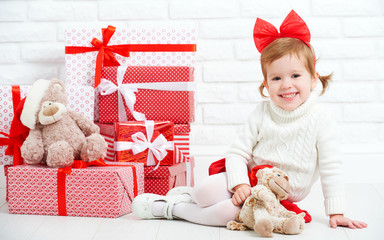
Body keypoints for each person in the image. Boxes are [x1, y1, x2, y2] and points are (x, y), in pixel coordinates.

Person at [131, 10, 368, 229]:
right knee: (204, 191)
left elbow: (331, 166)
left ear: (314, 78)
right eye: (276, 78)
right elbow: (237, 154)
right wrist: (240, 184)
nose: (286, 84)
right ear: (266, 84)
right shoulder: (262, 112)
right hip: (249, 179)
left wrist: (335, 211)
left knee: (225, 213)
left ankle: (171, 209)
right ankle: (190, 196)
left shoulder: (320, 118)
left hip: (278, 196)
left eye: (295, 75)